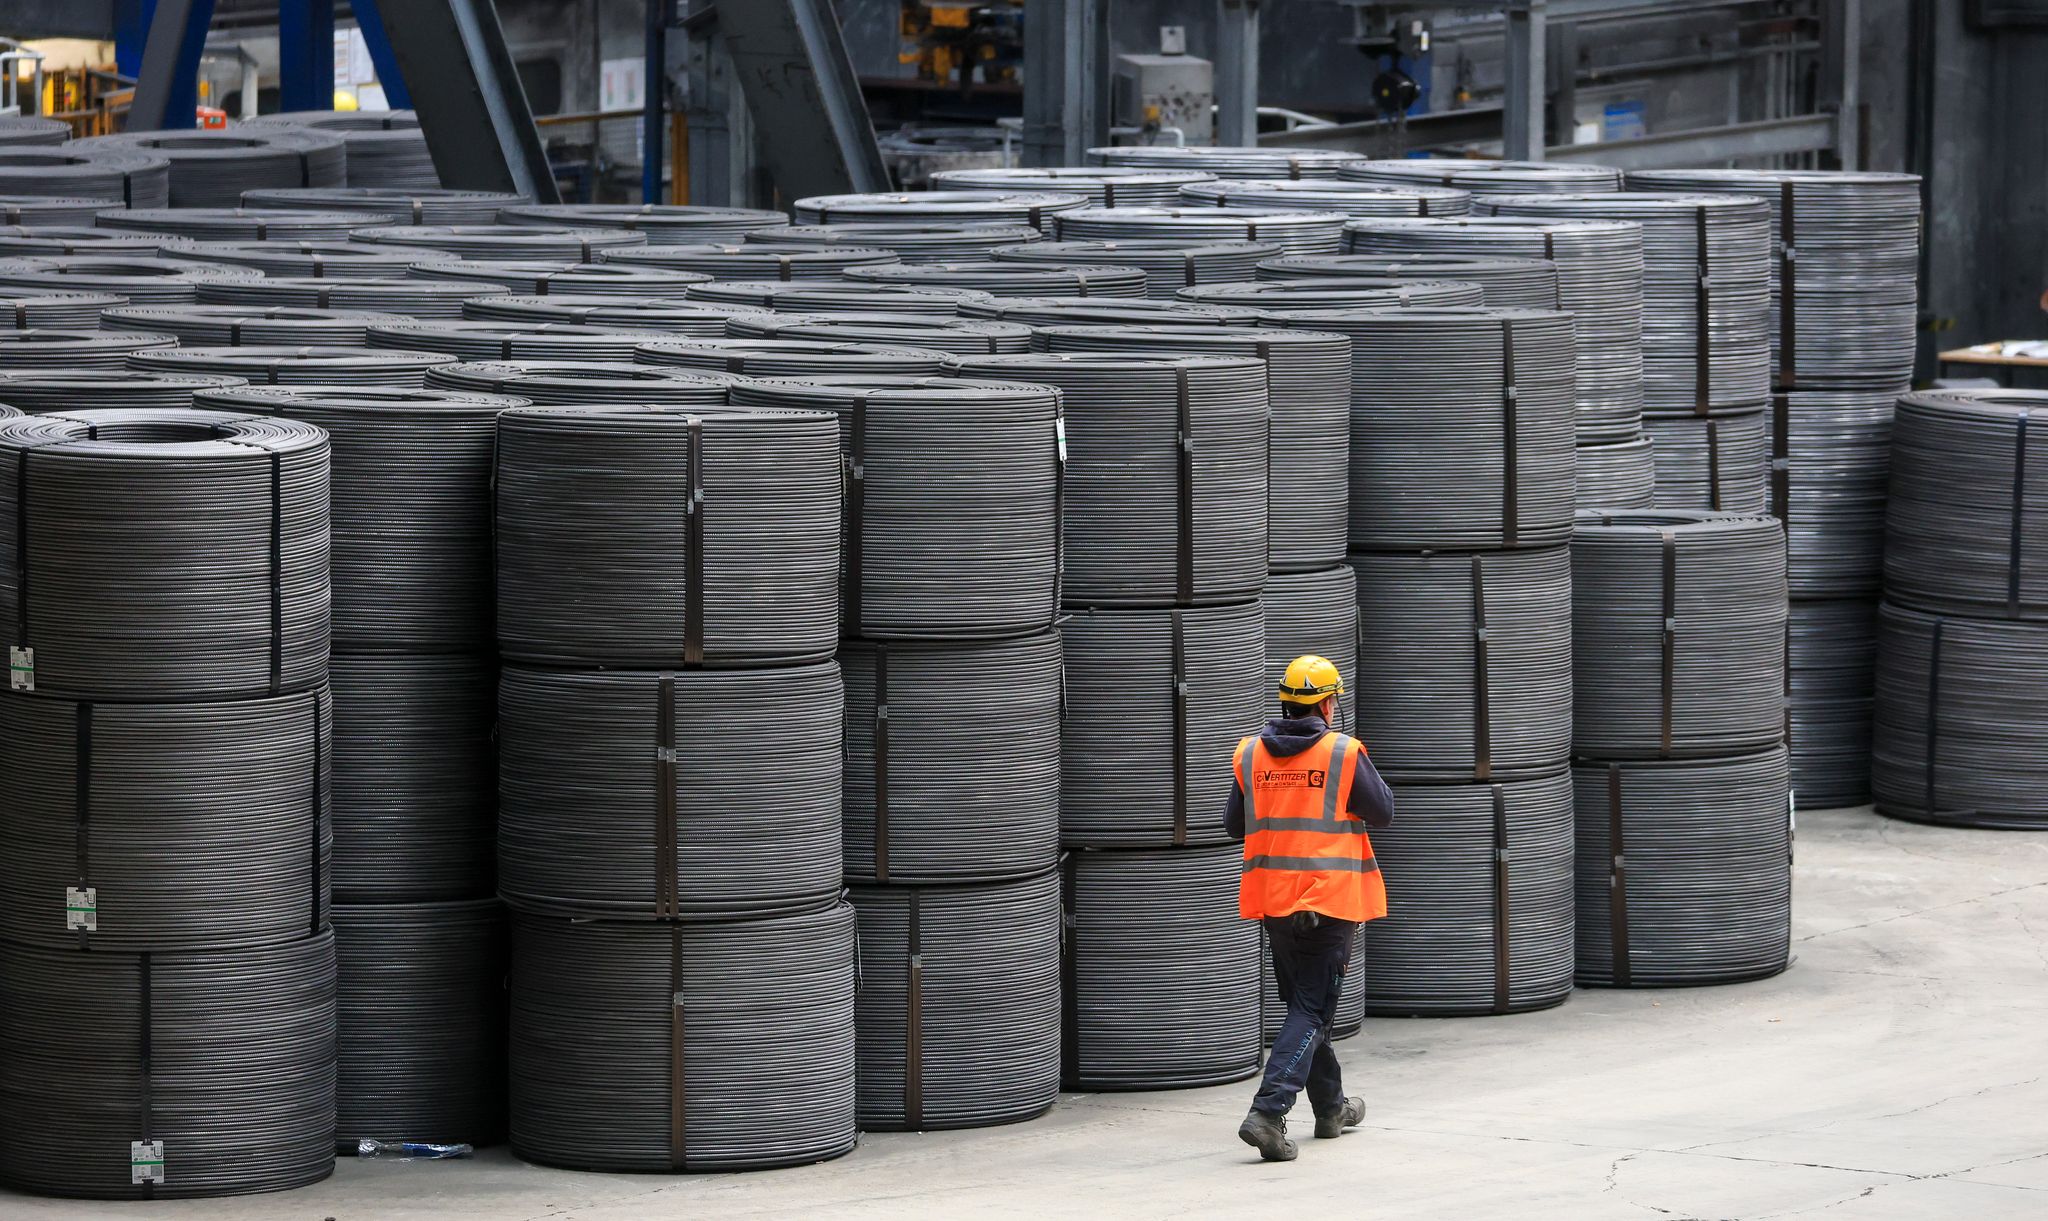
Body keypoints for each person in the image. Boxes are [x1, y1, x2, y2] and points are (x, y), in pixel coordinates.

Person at [1226, 653, 1393, 1162]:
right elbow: (1382, 811)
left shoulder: (1250, 753)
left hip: (1275, 902)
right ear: (1326, 702)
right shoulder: (1342, 752)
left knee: (1305, 1004)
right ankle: (1268, 1112)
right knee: (1311, 1009)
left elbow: (1236, 825)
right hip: (1328, 900)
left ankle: (1331, 1107)